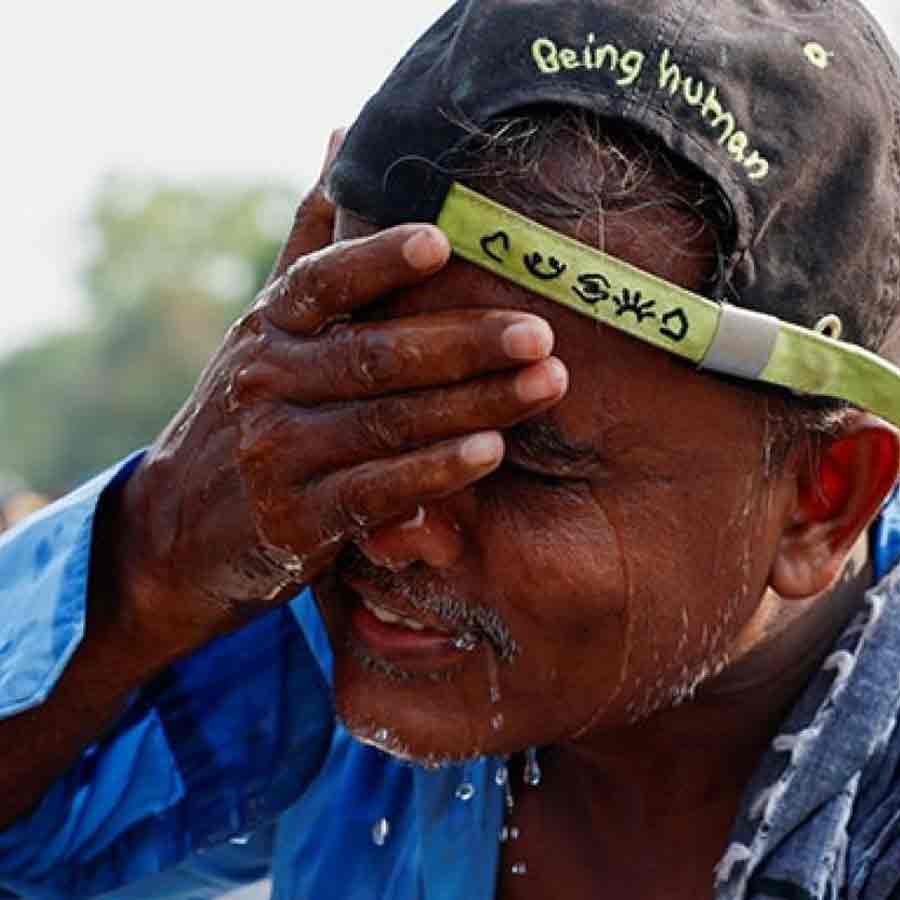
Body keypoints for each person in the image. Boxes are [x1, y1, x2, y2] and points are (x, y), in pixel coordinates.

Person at [3, 0, 900, 897]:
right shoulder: (323, 627)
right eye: (362, 417)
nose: (390, 529)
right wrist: (147, 556)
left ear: (822, 503)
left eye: (519, 467)